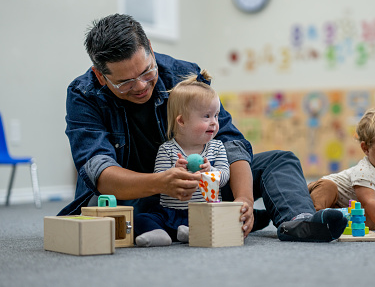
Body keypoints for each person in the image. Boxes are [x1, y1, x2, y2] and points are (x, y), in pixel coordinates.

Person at [59, 13, 348, 242]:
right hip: (139, 191)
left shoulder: (184, 75)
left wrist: (244, 199)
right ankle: (189, 221)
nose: (141, 86)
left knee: (279, 160)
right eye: (125, 83)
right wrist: (161, 182)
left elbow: (230, 140)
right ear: (100, 76)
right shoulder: (84, 95)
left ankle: (297, 221)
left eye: (147, 71)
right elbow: (100, 172)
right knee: (111, 212)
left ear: (150, 48)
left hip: (203, 184)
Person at [135, 69, 229, 247]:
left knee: (224, 219)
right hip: (171, 211)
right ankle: (159, 234)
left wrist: (211, 172)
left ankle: (191, 232)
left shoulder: (216, 147)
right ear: (182, 121)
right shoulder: (168, 149)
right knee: (141, 218)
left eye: (216, 115)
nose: (214, 122)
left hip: (205, 212)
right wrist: (175, 171)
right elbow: (160, 179)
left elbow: (224, 177)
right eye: (206, 116)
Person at [307, 106, 375, 230]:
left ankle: (333, 218)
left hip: (349, 208)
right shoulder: (365, 171)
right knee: (328, 187)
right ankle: (313, 217)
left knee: (370, 222)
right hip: (324, 191)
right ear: (366, 148)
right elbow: (370, 202)